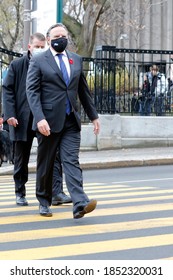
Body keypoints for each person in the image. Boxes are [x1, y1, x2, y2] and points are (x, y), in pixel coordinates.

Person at [26, 23, 100, 218]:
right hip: (47, 122)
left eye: (64, 35)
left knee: (71, 161)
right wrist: (39, 118)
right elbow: (32, 91)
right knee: (46, 163)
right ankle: (43, 201)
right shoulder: (40, 60)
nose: (61, 38)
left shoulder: (75, 59)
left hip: (71, 121)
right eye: (57, 36)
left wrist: (93, 116)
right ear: (49, 39)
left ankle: (80, 204)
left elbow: (82, 91)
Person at [2, 32, 71, 206]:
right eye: (37, 46)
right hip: (21, 119)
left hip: (44, 118)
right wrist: (9, 114)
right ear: (29, 47)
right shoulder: (17, 65)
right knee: (21, 157)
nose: (40, 49)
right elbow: (7, 89)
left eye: (43, 46)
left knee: (52, 156)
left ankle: (56, 192)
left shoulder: (49, 62)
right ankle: (20, 192)